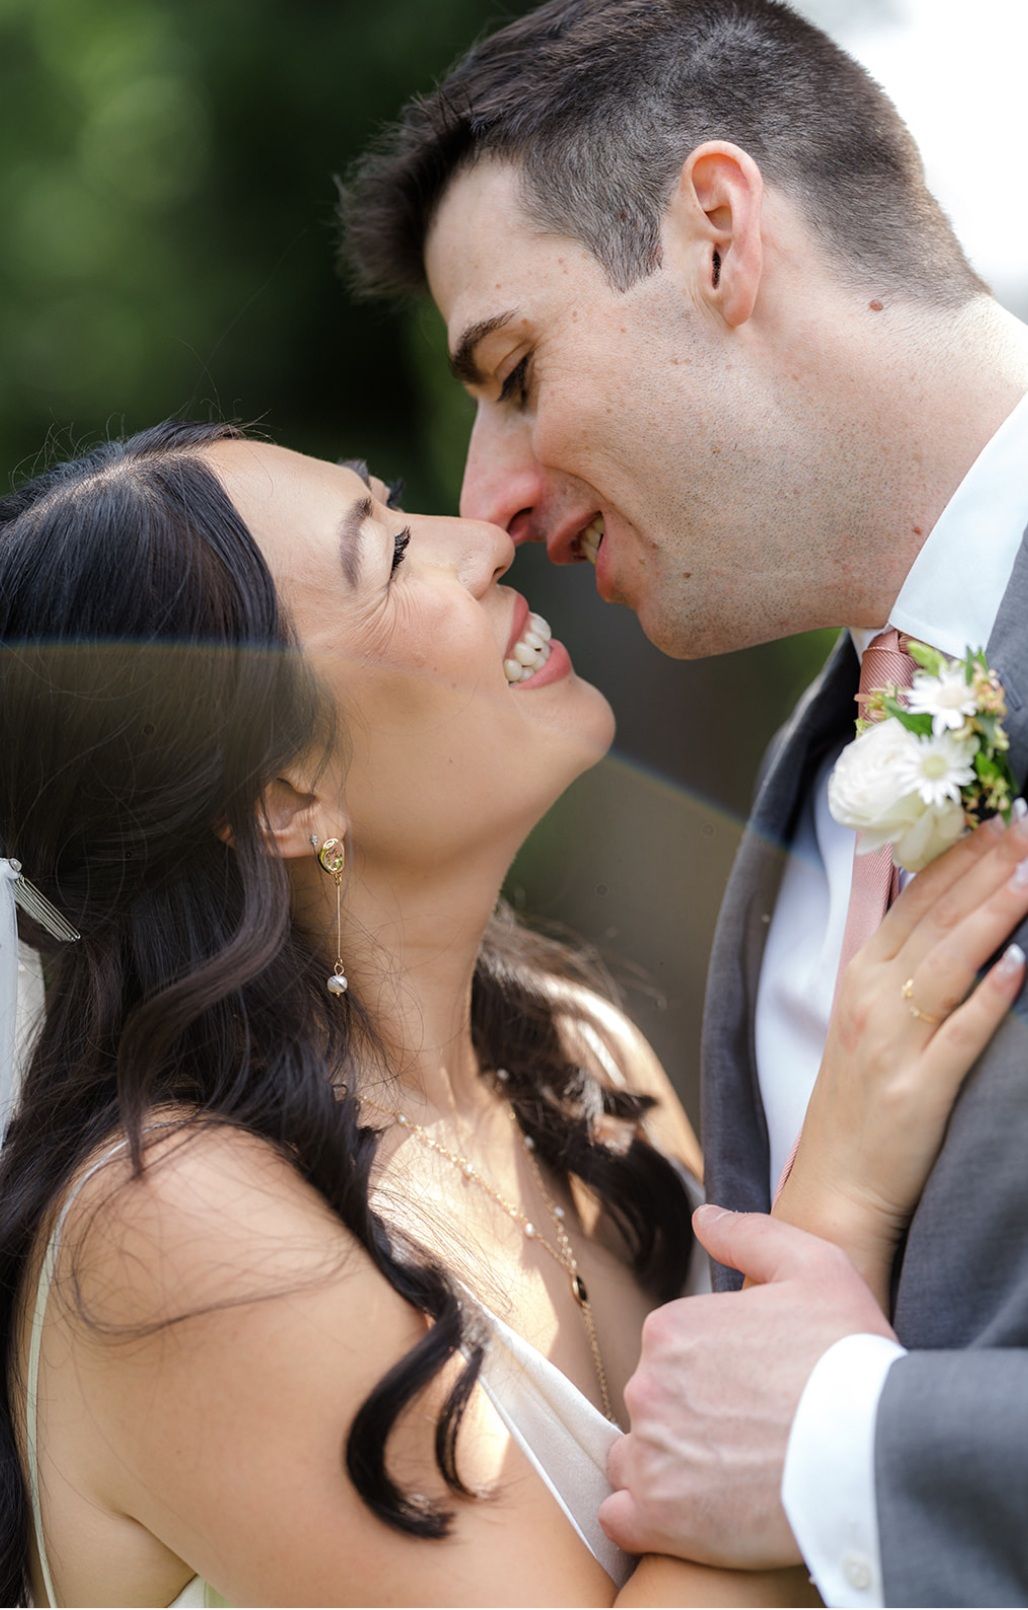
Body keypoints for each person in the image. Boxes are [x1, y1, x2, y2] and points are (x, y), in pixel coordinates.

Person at [0, 422, 1023, 1608]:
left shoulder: (577, 1055)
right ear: (286, 791)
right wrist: (839, 1194)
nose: (483, 539)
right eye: (383, 556)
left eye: (397, 507)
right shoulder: (174, 1229)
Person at [340, 0, 1028, 1603]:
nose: (488, 499)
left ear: (719, 236)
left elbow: (821, 1430)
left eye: (514, 369)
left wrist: (857, 1449)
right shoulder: (818, 799)